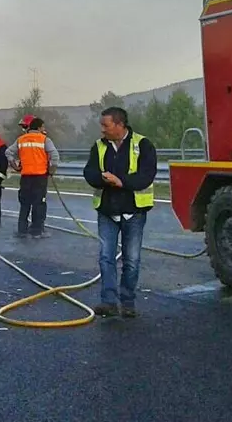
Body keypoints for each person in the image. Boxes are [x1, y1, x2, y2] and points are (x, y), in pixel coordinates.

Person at [82, 106, 158, 318]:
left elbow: (146, 176)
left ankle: (128, 302)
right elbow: (89, 172)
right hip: (107, 211)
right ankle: (108, 302)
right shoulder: (99, 146)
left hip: (134, 212)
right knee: (106, 258)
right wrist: (101, 178)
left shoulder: (143, 145)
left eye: (105, 125)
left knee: (131, 260)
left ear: (119, 125)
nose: (102, 130)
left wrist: (121, 181)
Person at [6, 115, 59, 239]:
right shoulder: (45, 140)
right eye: (43, 127)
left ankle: (22, 231)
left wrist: (15, 166)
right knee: (39, 204)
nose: (44, 129)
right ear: (39, 127)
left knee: (24, 204)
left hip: (25, 178)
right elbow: (55, 157)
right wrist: (51, 171)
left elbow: (8, 152)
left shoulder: (21, 140)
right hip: (40, 178)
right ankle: (37, 231)